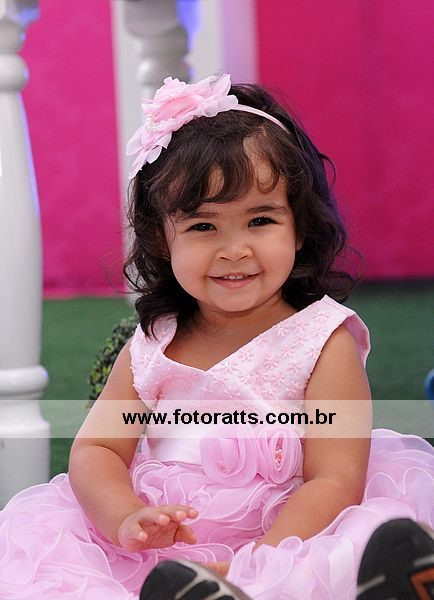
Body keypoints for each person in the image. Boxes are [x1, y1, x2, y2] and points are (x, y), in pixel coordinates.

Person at [0, 73, 432, 600]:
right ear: (162, 237)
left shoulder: (322, 341)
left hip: (290, 538)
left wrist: (258, 566)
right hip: (165, 551)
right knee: (51, 548)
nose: (234, 250)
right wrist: (126, 517)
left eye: (260, 220)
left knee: (363, 539)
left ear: (300, 226)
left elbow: (334, 481)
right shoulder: (154, 345)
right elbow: (98, 449)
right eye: (204, 227)